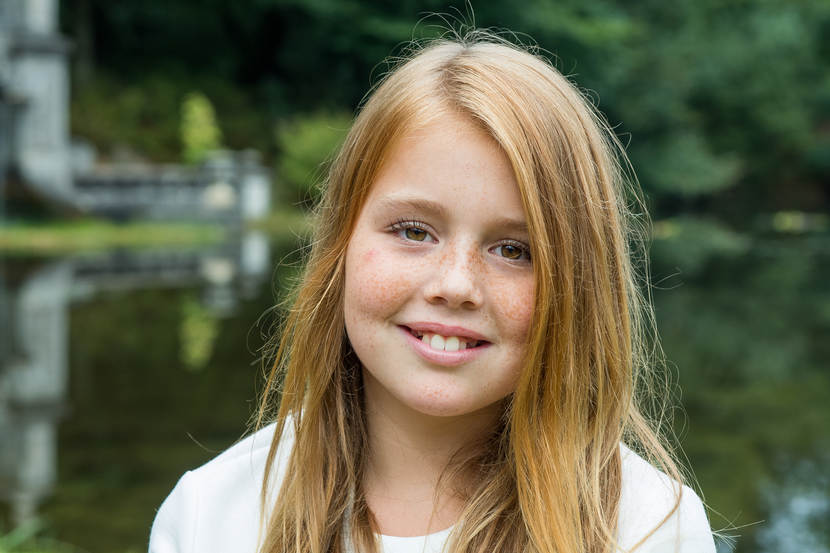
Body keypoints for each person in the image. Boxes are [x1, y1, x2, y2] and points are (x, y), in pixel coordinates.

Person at [149, 31, 716, 553]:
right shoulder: (209, 518)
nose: (455, 285)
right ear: (341, 242)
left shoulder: (649, 529)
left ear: (579, 287)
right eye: (414, 232)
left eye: (513, 250)